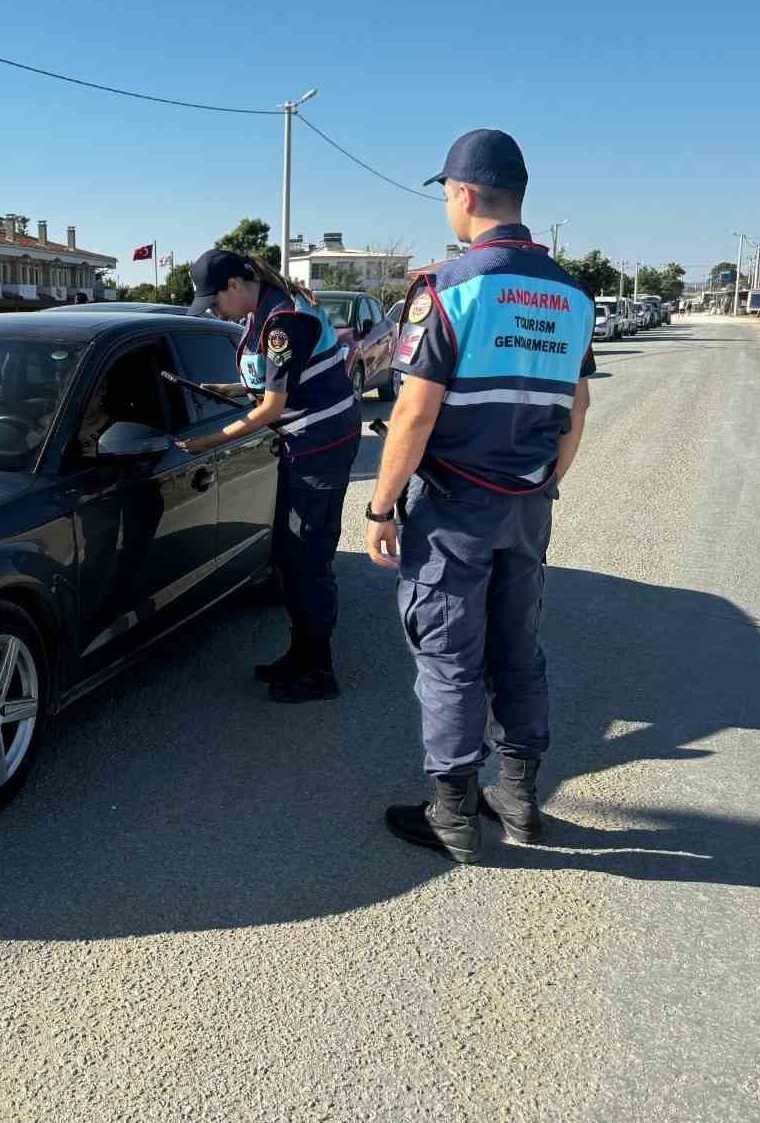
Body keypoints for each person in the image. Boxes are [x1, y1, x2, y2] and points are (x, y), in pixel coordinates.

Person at [362, 129, 595, 864]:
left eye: (445, 195)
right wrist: (543, 483)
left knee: (450, 657)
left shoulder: (450, 289)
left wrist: (380, 505)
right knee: (518, 648)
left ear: (462, 194)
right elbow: (578, 408)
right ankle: (520, 801)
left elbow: (415, 411)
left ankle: (454, 816)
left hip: (456, 507)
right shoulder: (571, 294)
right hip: (529, 505)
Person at [177, 249, 361, 703]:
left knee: (307, 561)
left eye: (215, 303)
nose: (217, 312)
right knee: (289, 552)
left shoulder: (283, 323)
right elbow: (281, 379)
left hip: (320, 448)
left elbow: (273, 407)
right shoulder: (272, 310)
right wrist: (233, 388)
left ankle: (318, 671)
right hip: (310, 444)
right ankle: (300, 655)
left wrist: (209, 441)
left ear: (236, 286)